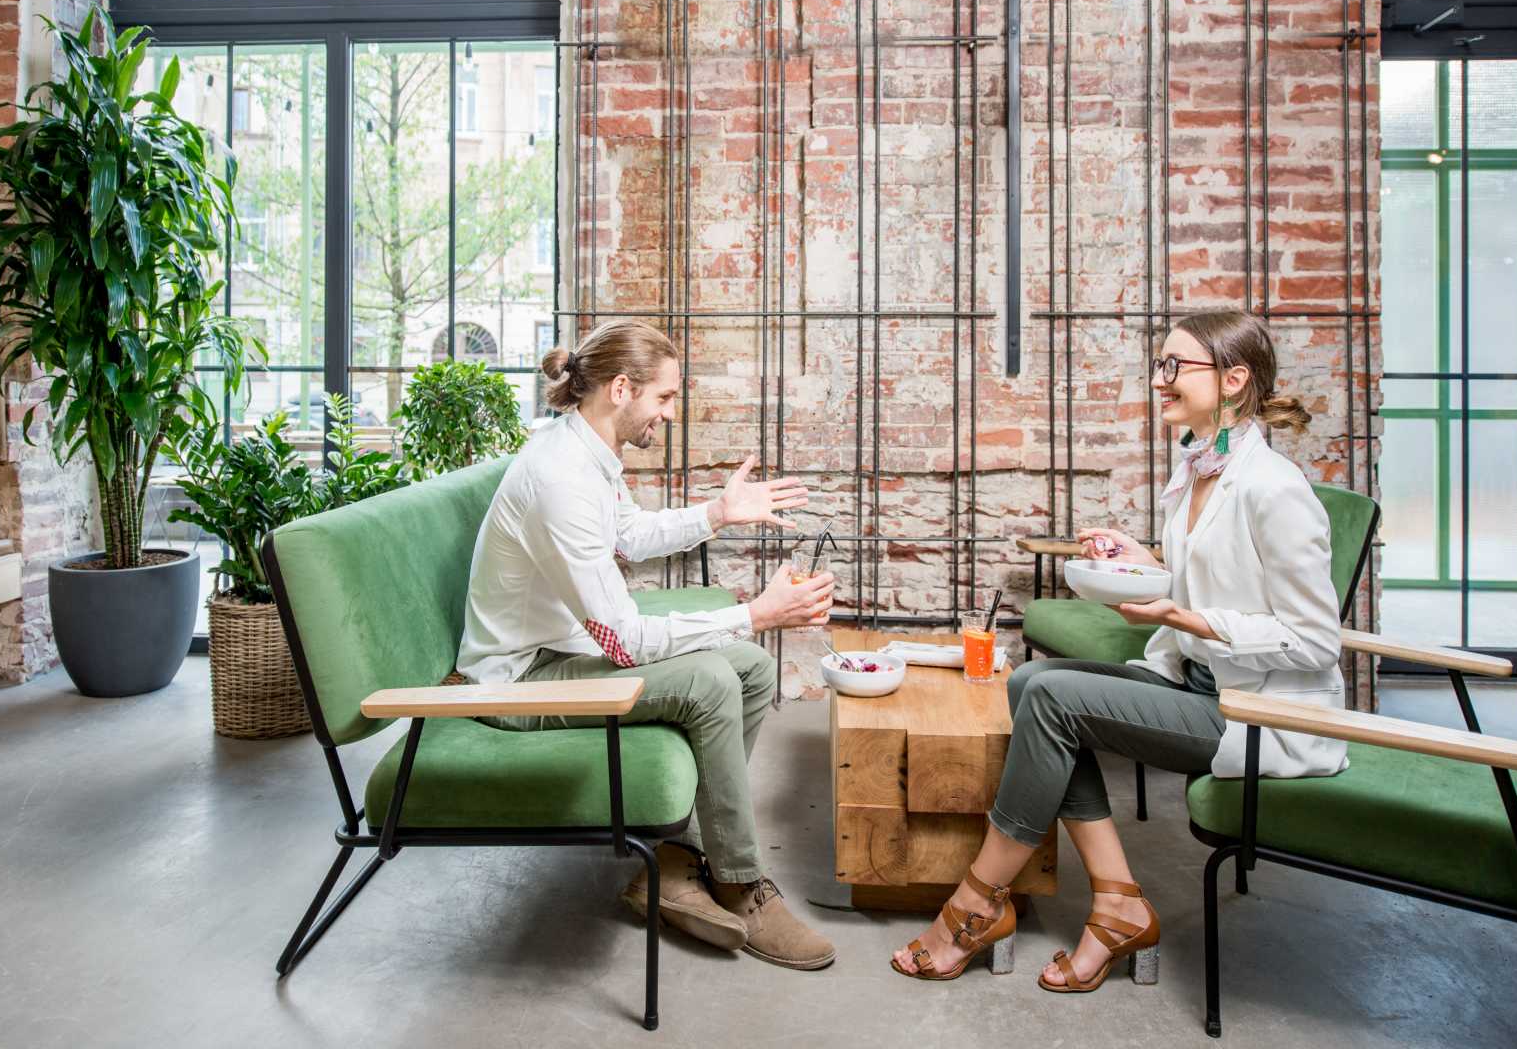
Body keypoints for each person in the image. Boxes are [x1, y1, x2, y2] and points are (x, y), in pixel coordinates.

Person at [889, 310, 1350, 989]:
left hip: (1255, 714)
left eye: (1176, 366)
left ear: (1233, 380)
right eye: (1159, 365)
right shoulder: (1197, 470)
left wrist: (1185, 617)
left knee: (1048, 698)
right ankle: (1117, 903)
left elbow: (1314, 641)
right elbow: (1220, 574)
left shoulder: (1276, 490)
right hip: (1195, 681)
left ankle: (978, 900)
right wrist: (1148, 560)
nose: (1160, 380)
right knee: (1029, 686)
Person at [458, 319, 841, 971]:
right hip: (517, 678)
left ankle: (671, 861)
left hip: (562, 647)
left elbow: (629, 535)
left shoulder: (588, 454)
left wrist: (717, 514)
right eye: (663, 399)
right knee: (711, 679)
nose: (670, 413)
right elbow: (627, 642)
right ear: (621, 388)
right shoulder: (560, 480)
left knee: (747, 668)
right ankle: (739, 883)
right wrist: (755, 612)